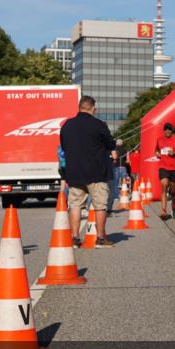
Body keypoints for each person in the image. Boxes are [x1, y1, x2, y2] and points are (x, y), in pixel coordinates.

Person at [59, 96, 116, 248]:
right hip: (96, 173)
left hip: (75, 173)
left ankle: (75, 238)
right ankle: (100, 238)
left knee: (76, 205)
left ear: (79, 107)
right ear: (93, 108)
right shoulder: (99, 125)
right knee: (100, 206)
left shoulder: (67, 125)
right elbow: (110, 144)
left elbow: (64, 147)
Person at [156, 122, 175, 219]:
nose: (167, 131)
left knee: (173, 191)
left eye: (169, 129)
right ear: (164, 130)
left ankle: (174, 204)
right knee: (164, 185)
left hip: (174, 168)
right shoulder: (159, 140)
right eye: (166, 129)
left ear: (172, 130)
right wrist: (157, 153)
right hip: (163, 167)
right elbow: (157, 150)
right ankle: (163, 211)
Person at [107, 138, 128, 214]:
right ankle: (122, 195)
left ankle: (115, 196)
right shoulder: (125, 150)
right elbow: (127, 159)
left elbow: (115, 158)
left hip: (115, 167)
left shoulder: (113, 148)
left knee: (115, 183)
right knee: (124, 182)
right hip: (122, 167)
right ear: (122, 143)